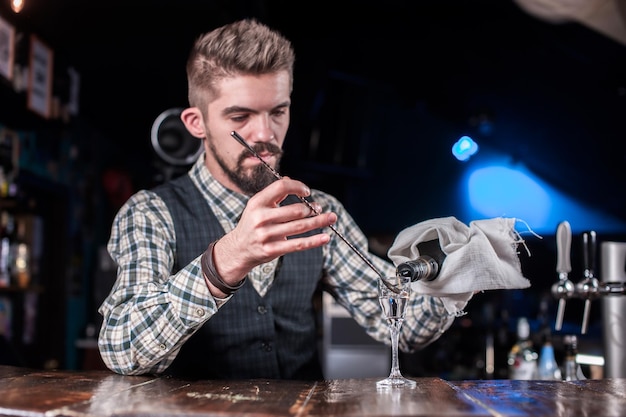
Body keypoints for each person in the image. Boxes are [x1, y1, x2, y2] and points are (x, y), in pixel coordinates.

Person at [97, 18, 464, 380]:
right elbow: (123, 351)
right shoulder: (150, 212)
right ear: (197, 123)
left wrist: (459, 278)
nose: (265, 134)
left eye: (278, 112)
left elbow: (404, 326)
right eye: (240, 116)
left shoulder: (318, 210)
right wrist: (226, 259)